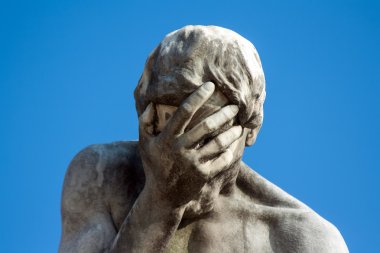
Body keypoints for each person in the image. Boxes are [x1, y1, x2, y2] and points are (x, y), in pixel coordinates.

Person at [59, 25, 348, 253]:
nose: (184, 154)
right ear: (144, 118)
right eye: (169, 124)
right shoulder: (101, 176)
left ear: (250, 129)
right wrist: (160, 202)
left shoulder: (304, 240)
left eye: (208, 132)